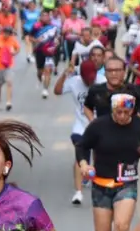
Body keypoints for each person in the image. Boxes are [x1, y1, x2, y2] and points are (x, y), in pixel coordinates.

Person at [76, 93, 140, 231]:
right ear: (112, 110)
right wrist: (84, 164)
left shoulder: (139, 125)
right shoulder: (99, 125)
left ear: (132, 110)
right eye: (118, 112)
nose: (123, 116)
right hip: (101, 184)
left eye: (126, 112)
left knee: (122, 227)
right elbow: (82, 146)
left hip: (127, 183)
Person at [54, 58, 99, 205]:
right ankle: (78, 193)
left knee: (98, 156)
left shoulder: (103, 81)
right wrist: (64, 75)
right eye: (86, 80)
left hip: (100, 125)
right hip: (80, 127)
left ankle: (96, 181)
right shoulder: (74, 81)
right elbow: (57, 91)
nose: (89, 82)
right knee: (80, 157)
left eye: (91, 79)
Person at [83, 56, 140, 121]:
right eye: (110, 70)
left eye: (117, 70)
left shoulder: (135, 90)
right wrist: (93, 123)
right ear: (105, 73)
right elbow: (87, 107)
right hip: (104, 132)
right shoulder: (95, 90)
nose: (113, 73)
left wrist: (132, 117)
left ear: (124, 72)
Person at [0, 26, 21, 110]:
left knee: (9, 82)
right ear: (3, 33)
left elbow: (18, 48)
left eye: (9, 33)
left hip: (9, 65)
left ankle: (8, 102)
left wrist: (14, 53)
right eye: (6, 33)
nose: (7, 35)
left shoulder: (12, 40)